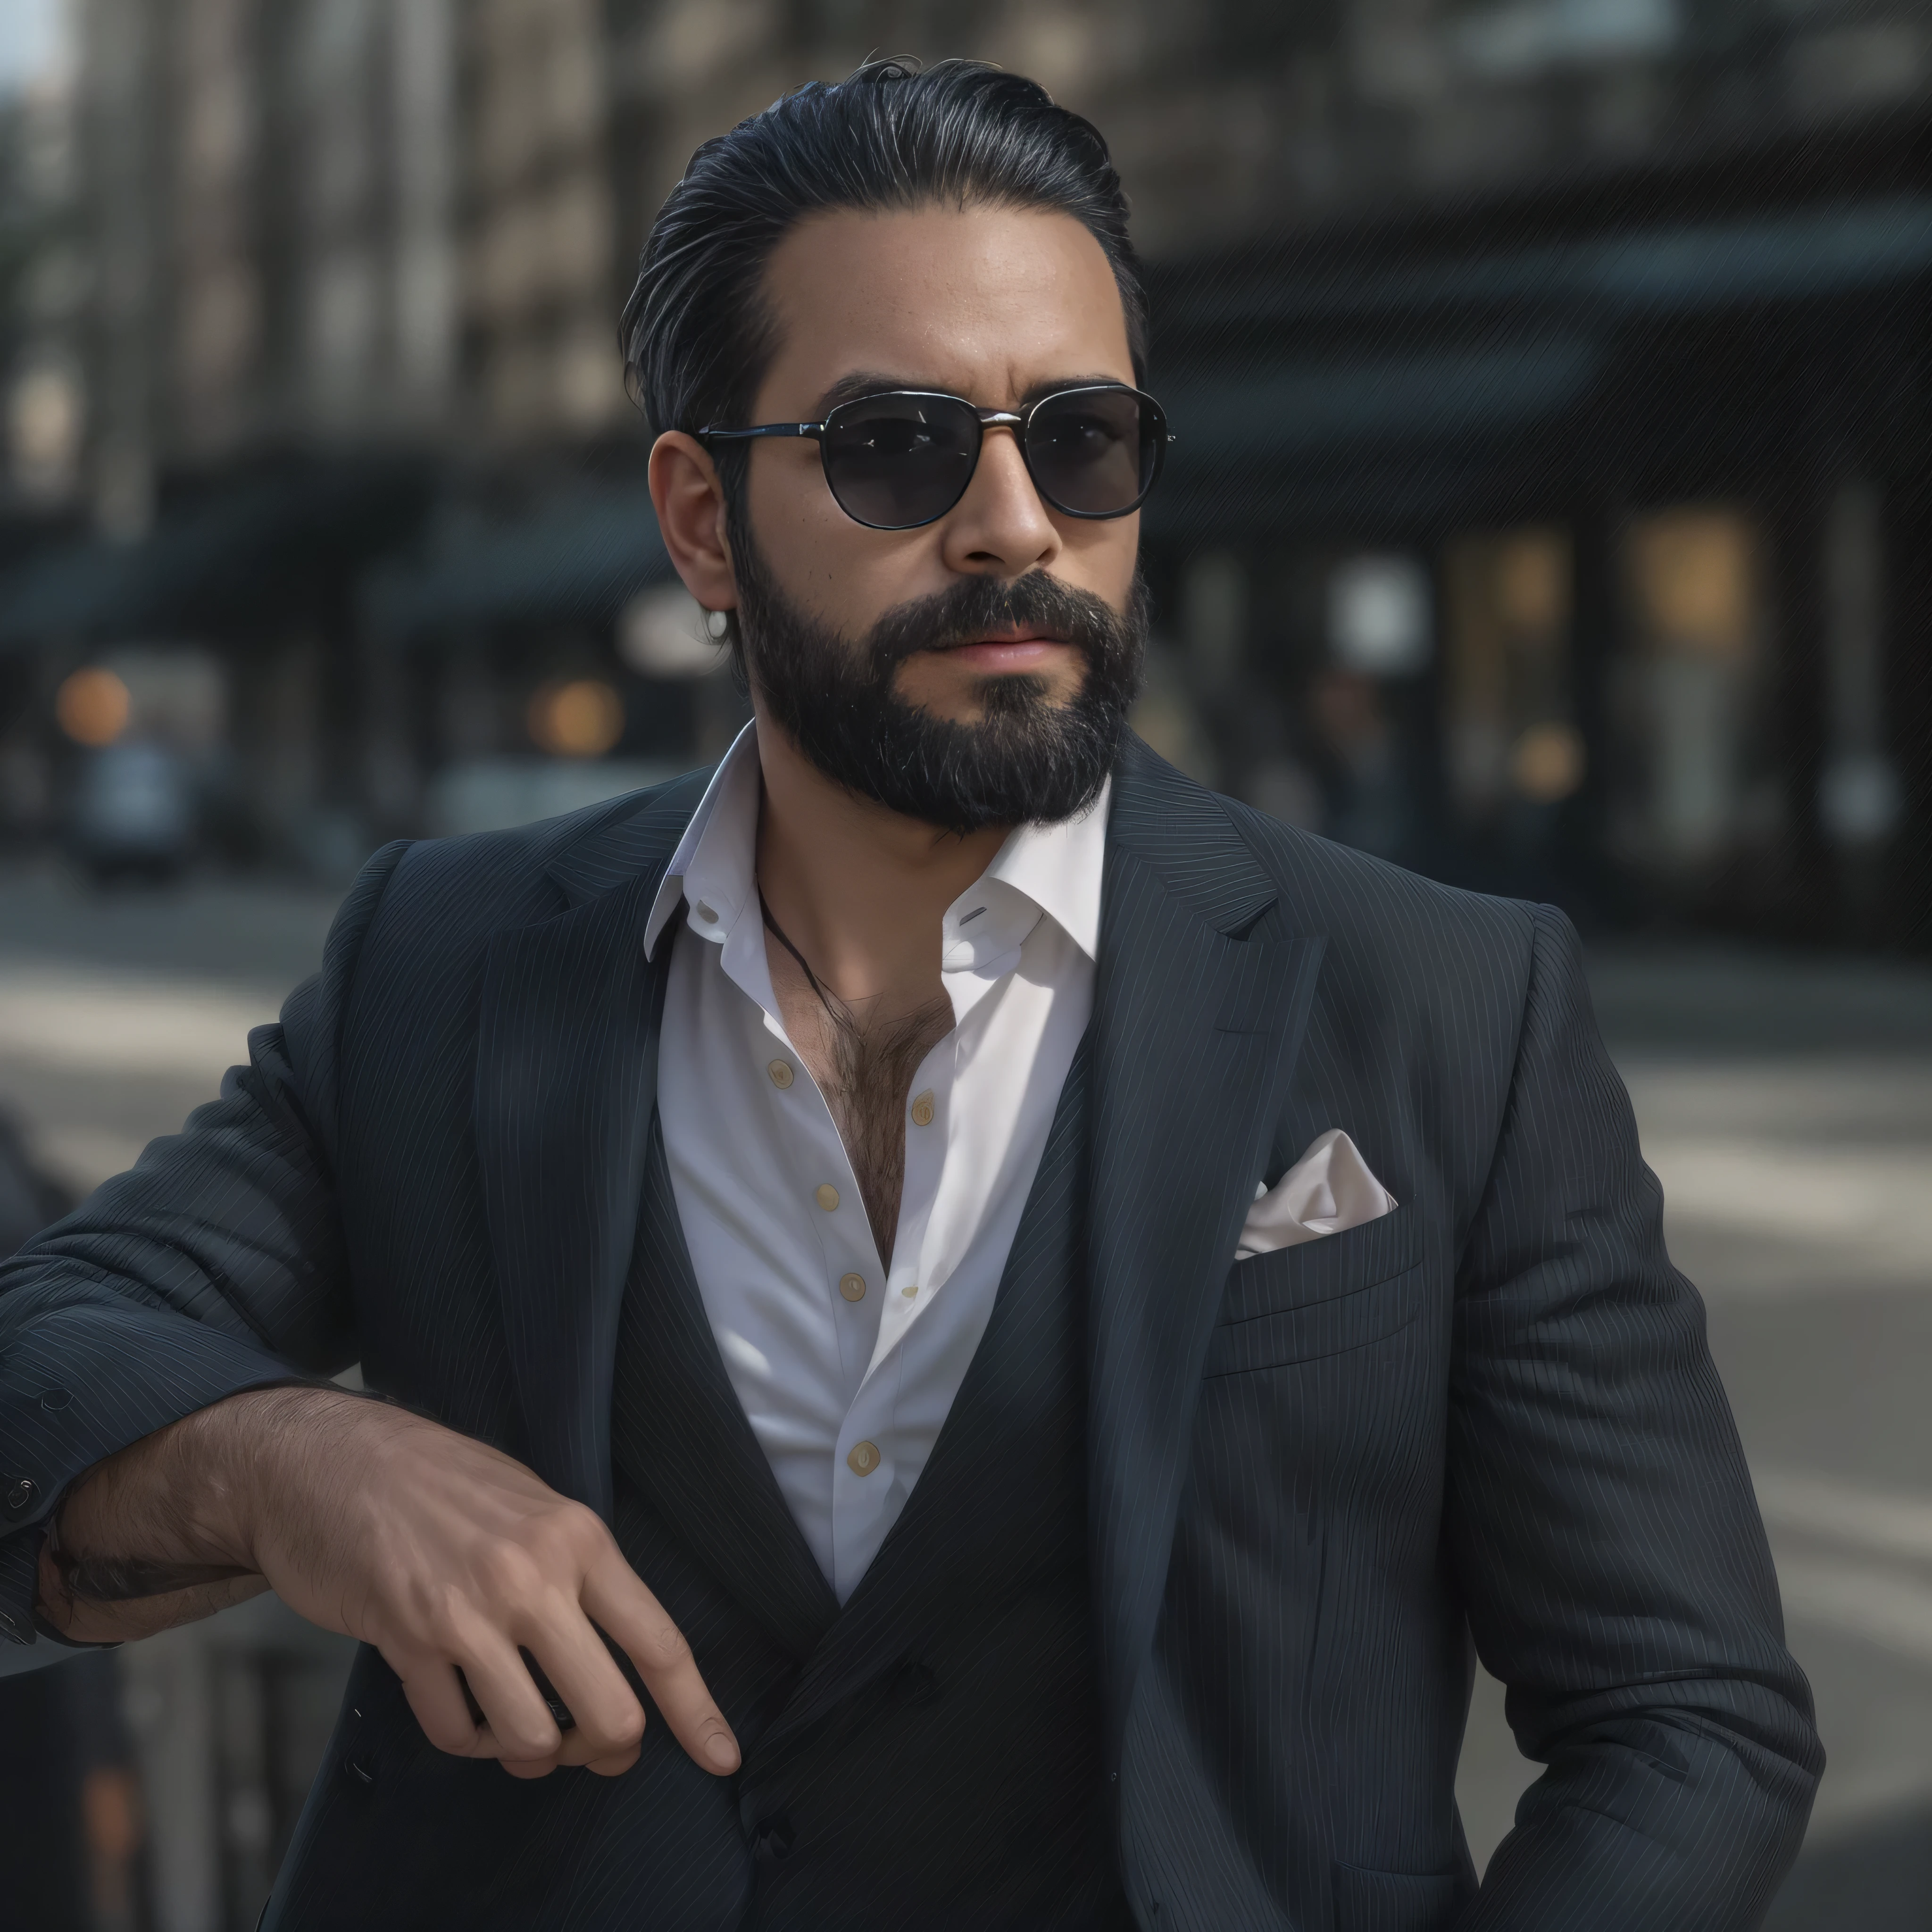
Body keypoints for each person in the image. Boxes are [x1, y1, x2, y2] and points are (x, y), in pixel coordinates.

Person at [0, 58, 1818, 1932]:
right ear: (702, 520)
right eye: (897, 442)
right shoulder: (445, 967)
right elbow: (45, 1344)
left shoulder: (1444, 1002)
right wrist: (300, 1461)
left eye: (1083, 438)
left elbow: (1685, 1717)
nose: (1015, 524)